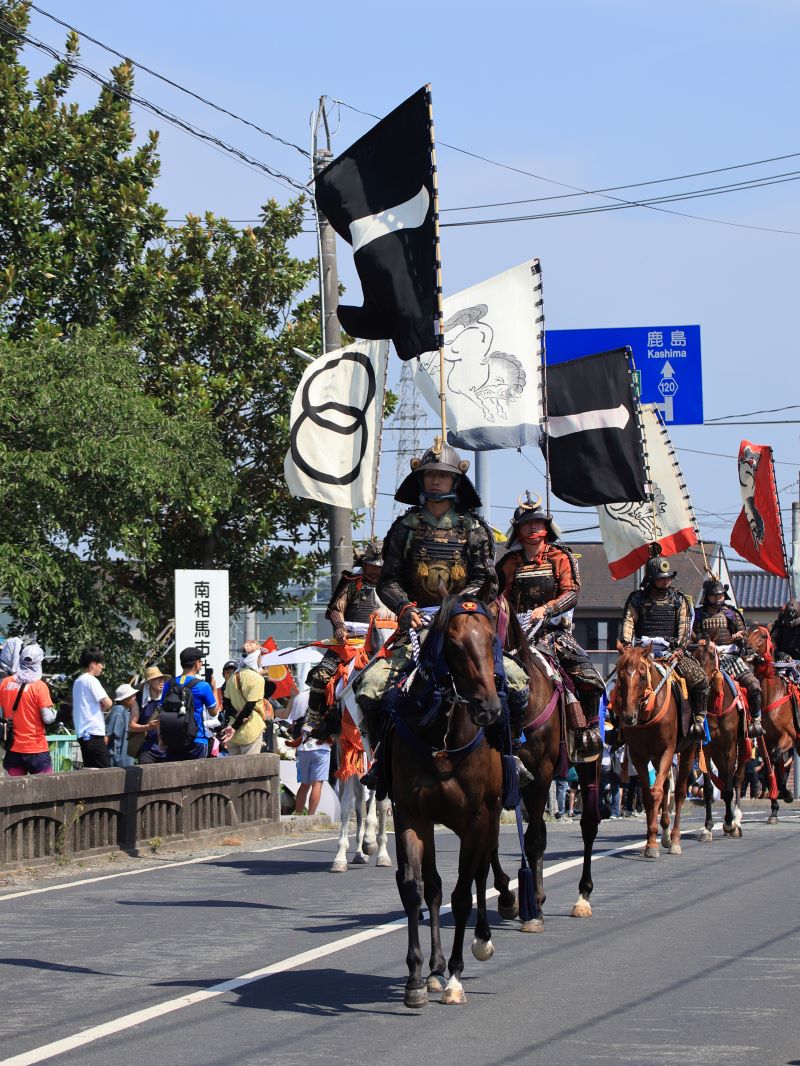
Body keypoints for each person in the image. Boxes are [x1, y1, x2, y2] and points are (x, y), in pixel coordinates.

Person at [355, 441, 529, 788]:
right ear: (422, 480)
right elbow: (388, 581)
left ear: (455, 482)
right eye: (431, 474)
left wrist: (459, 608)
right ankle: (382, 759)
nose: (436, 481)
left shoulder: (473, 528)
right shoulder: (404, 528)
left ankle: (511, 753)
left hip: (464, 621)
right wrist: (404, 609)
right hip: (418, 623)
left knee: (519, 683)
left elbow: (487, 581)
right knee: (370, 687)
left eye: (443, 475)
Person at [497, 495, 604, 759]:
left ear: (546, 527)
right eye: (527, 523)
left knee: (588, 675)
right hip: (514, 633)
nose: (533, 527)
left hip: (551, 631)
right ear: (518, 529)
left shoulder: (560, 557)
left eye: (538, 522)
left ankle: (586, 732)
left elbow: (572, 593)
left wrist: (546, 610)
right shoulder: (509, 563)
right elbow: (498, 596)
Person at [620, 556, 710, 742]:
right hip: (642, 652)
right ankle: (617, 726)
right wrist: (627, 646)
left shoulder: (679, 599)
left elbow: (685, 627)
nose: (666, 580)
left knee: (700, 679)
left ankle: (697, 722)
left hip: (671, 651)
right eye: (662, 577)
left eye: (668, 577)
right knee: (623, 682)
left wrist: (680, 648)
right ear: (652, 578)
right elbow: (629, 621)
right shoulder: (637, 599)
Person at [305, 541, 385, 738]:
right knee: (321, 675)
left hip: (384, 642)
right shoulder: (353, 583)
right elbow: (336, 608)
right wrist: (339, 627)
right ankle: (314, 718)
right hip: (350, 641)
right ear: (365, 564)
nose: (375, 571)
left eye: (380, 567)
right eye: (372, 566)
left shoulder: (393, 587)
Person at [692, 577, 764, 737]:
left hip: (729, 657)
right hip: (705, 659)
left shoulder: (731, 613)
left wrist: (740, 639)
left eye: (720, 595)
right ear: (707, 596)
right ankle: (694, 722)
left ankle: (755, 721)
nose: (718, 598)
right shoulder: (697, 615)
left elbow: (744, 639)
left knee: (754, 685)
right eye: (714, 595)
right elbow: (691, 637)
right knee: (688, 687)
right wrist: (703, 643)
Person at [0, 643, 56, 776]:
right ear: (39, 662)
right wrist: (56, 712)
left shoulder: (6, 683)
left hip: (13, 749)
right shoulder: (39, 686)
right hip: (36, 750)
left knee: (16, 792)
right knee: (46, 792)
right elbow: (48, 719)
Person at [159, 647, 218, 761]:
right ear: (196, 664)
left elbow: (161, 712)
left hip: (173, 740)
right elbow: (214, 712)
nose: (201, 663)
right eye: (200, 661)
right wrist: (214, 689)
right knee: (199, 777)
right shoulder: (203, 686)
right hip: (197, 740)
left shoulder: (169, 684)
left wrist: (161, 738)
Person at [221, 640, 275, 756]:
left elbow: (226, 703)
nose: (261, 659)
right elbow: (249, 707)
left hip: (233, 732)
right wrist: (235, 727)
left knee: (234, 771)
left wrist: (235, 717)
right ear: (256, 657)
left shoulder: (233, 677)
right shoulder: (257, 679)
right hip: (251, 729)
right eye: (260, 656)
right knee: (249, 771)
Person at [287, 686, 331, 815]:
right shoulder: (327, 696)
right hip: (321, 746)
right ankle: (311, 816)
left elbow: (294, 723)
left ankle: (299, 815)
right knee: (317, 784)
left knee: (304, 784)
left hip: (302, 747)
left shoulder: (300, 697)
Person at [72, 647, 113, 769]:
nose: (102, 667)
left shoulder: (78, 682)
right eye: (101, 664)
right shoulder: (91, 680)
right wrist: (104, 703)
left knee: (91, 773)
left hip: (83, 735)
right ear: (93, 664)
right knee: (108, 774)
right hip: (94, 734)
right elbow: (108, 702)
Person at [128, 666, 168, 761]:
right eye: (157, 679)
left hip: (167, 749)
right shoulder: (139, 700)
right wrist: (147, 727)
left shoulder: (168, 697)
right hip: (147, 750)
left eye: (162, 678)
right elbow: (131, 726)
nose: (161, 681)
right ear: (149, 682)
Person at [106, 683, 138, 768]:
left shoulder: (124, 711)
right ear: (125, 699)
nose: (135, 697)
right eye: (132, 696)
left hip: (125, 760)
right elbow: (113, 736)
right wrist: (116, 759)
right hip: (120, 762)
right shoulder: (119, 710)